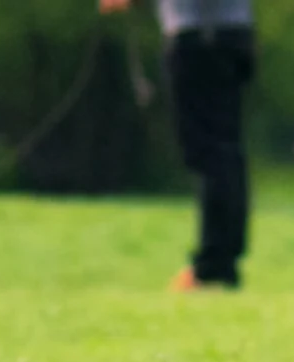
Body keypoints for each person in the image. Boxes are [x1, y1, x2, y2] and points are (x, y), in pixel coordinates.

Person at [105, 0, 253, 291]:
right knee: (224, 151)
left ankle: (214, 268)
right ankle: (222, 263)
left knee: (210, 153)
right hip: (230, 36)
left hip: (202, 41)